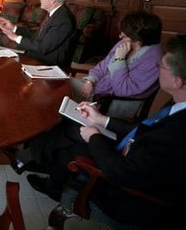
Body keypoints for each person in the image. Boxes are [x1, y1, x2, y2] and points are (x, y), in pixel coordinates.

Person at [26, 34, 186, 228]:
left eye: (161, 65)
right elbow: (146, 128)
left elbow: (121, 172)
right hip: (133, 153)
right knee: (68, 130)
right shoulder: (178, 104)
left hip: (127, 196)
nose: (157, 67)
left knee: (70, 145)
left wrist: (94, 136)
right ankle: (40, 162)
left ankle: (47, 174)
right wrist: (102, 119)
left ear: (177, 81)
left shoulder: (177, 134)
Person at [70, 11, 163, 119]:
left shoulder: (154, 59)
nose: (120, 36)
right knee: (61, 83)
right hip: (96, 89)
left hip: (110, 101)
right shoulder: (125, 43)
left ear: (138, 37)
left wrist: (119, 59)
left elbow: (122, 90)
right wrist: (90, 80)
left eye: (124, 35)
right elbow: (101, 66)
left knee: (60, 100)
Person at [0, 0, 77, 67]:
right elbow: (37, 35)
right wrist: (13, 28)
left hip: (48, 66)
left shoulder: (63, 19)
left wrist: (15, 38)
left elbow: (43, 47)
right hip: (37, 59)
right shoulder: (55, 13)